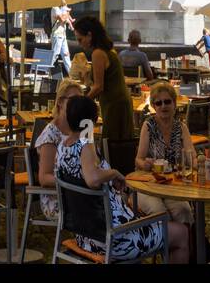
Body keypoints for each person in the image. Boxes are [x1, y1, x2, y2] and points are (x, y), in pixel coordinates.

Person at [55, 94, 189, 263]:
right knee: (182, 233)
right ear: (92, 119)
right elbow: (92, 179)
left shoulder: (62, 147)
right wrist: (114, 173)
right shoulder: (85, 146)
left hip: (87, 236)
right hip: (116, 239)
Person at [134, 82, 195, 229]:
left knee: (184, 210)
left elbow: (191, 155)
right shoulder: (148, 126)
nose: (163, 106)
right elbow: (138, 160)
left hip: (171, 184)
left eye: (167, 101)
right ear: (154, 106)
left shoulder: (181, 127)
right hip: (148, 184)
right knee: (159, 212)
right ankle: (168, 247)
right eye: (158, 103)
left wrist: (199, 162)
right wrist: (145, 164)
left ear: (174, 103)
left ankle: (186, 247)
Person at [74, 15, 134, 142]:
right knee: (122, 143)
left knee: (112, 144)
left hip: (114, 104)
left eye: (80, 39)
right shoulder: (108, 50)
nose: (79, 44)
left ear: (89, 35)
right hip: (120, 101)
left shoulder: (98, 53)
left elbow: (99, 87)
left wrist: (82, 102)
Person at [36, 76, 84, 219]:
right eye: (74, 101)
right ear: (60, 103)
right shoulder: (51, 134)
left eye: (80, 101)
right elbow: (44, 178)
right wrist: (74, 182)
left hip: (80, 191)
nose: (78, 105)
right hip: (57, 197)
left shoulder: (79, 130)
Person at [49, 0, 74, 75]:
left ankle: (72, 75)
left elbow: (65, 19)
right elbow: (62, 19)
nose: (65, 0)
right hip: (57, 35)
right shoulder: (55, 8)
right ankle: (47, 71)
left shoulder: (61, 8)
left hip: (63, 35)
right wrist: (67, 12)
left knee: (66, 55)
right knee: (55, 54)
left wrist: (66, 13)